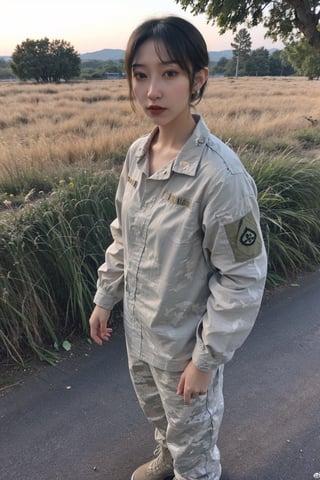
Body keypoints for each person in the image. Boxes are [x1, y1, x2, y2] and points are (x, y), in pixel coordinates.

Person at [89, 15, 268, 480]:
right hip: (141, 333)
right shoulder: (136, 155)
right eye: (141, 74)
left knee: (196, 443)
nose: (152, 91)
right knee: (159, 415)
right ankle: (168, 458)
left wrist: (206, 361)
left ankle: (192, 469)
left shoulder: (220, 177)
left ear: (197, 80)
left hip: (186, 346)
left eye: (169, 74)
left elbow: (242, 277)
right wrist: (106, 296)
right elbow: (124, 233)